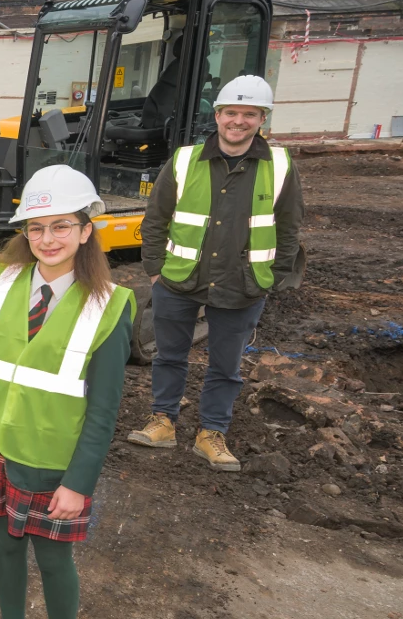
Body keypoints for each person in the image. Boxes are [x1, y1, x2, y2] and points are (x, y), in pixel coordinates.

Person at [0, 165, 134, 619]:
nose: (48, 239)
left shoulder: (110, 306)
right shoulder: (1, 281)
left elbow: (104, 410)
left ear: (86, 230)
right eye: (36, 228)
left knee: (52, 559)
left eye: (61, 226)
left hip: (52, 460)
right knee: (3, 545)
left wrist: (78, 483)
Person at [128, 75, 303, 471]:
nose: (238, 121)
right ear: (218, 115)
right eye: (231, 113)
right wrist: (155, 269)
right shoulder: (185, 160)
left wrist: (271, 278)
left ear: (262, 119)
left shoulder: (279, 166)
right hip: (178, 278)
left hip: (242, 283)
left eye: (249, 114)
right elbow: (156, 218)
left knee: (227, 366)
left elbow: (289, 227)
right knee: (169, 356)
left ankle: (211, 433)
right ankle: (163, 421)